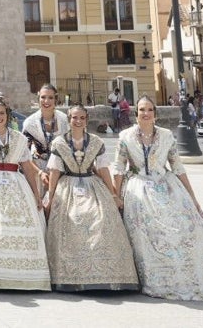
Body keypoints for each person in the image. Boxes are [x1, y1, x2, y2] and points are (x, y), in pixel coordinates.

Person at [112, 95, 203, 300]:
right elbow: (119, 169)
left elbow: (178, 168)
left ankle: (185, 277)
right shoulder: (125, 137)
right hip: (137, 187)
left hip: (166, 185)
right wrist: (116, 197)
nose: (145, 114)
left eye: (149, 110)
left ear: (155, 114)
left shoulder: (167, 136)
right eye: (141, 110)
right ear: (135, 114)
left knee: (186, 226)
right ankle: (156, 278)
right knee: (149, 232)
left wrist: (192, 198)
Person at [44, 103, 138, 292]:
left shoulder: (96, 141)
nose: (78, 121)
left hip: (91, 184)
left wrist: (113, 193)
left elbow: (103, 169)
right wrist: (51, 196)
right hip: (68, 185)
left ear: (86, 120)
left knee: (101, 220)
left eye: (81, 118)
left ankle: (105, 273)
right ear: (69, 120)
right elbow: (54, 171)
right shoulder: (59, 142)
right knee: (70, 223)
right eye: (74, 118)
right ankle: (71, 276)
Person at [0, 100, 50, 290]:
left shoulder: (20, 138)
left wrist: (36, 194)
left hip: (16, 183)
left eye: (1, 114)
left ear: (8, 115)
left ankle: (25, 275)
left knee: (22, 224)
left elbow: (28, 168)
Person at [21, 83, 69, 192]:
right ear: (38, 99)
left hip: (61, 170)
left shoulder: (64, 120)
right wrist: (40, 172)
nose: (46, 101)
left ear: (56, 100)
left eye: (50, 97)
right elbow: (24, 155)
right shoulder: (29, 123)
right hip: (38, 171)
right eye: (43, 97)